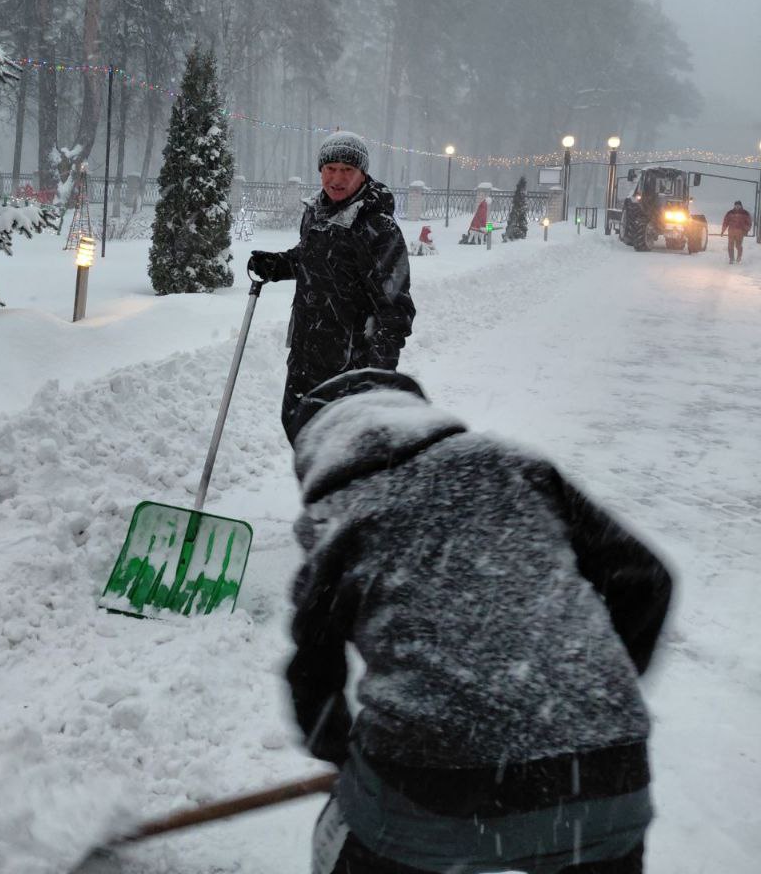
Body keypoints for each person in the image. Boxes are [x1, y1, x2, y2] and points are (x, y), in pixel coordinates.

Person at [286, 369, 673, 874]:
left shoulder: (337, 519)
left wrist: (344, 758)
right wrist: (579, 693)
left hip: (426, 793)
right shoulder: (512, 464)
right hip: (606, 783)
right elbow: (646, 581)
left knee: (338, 841)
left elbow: (313, 678)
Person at [247, 132, 415, 443]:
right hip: (305, 354)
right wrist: (278, 265)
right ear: (320, 170)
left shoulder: (378, 227)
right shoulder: (316, 210)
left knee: (341, 451)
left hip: (351, 367)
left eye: (347, 170)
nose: (337, 179)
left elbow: (396, 308)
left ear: (362, 173)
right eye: (330, 169)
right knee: (300, 433)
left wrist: (376, 375)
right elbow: (312, 257)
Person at [720, 199, 751, 263]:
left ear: (741, 206)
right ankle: (731, 258)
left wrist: (746, 230)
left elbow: (749, 223)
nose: (737, 207)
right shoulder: (730, 213)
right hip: (731, 231)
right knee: (730, 245)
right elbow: (725, 222)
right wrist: (723, 231)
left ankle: (739, 257)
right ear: (734, 206)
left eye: (738, 205)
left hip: (740, 232)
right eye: (736, 205)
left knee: (738, 245)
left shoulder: (745, 213)